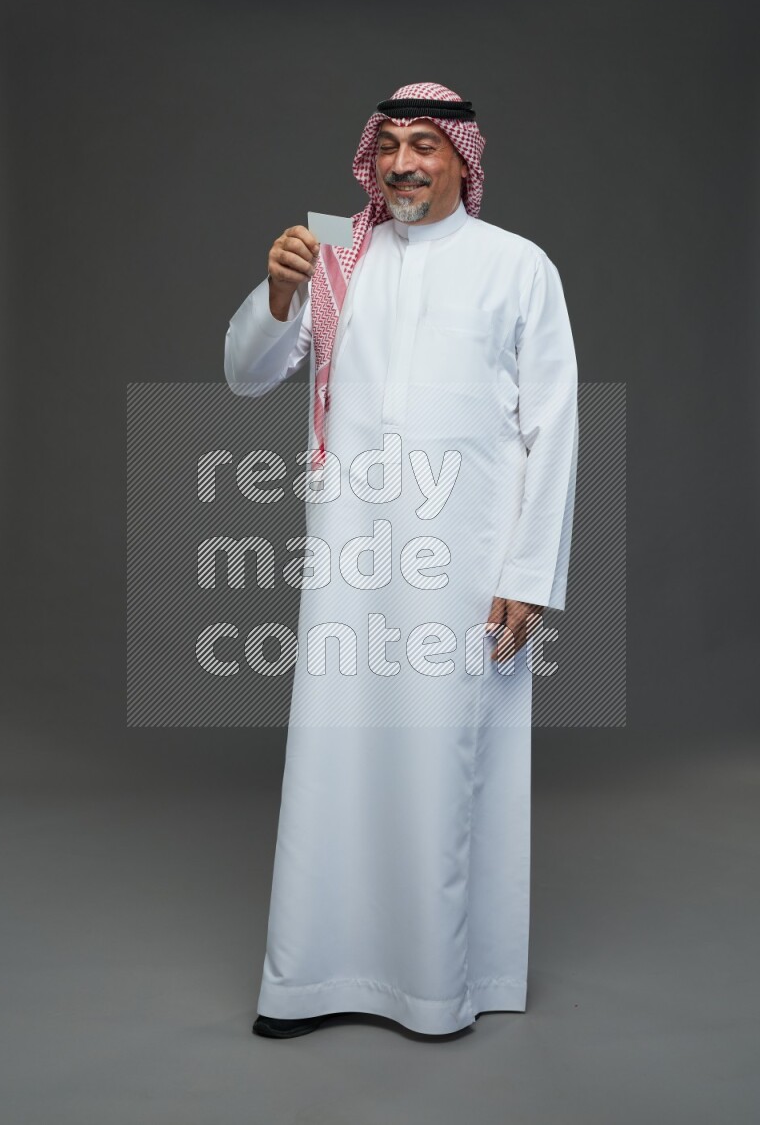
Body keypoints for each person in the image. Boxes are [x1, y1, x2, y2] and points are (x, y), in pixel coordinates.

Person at [224, 82, 578, 1038]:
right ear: (369, 160)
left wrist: (529, 577)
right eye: (389, 146)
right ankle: (309, 981)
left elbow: (555, 430)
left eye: (426, 144)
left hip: (466, 572)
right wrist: (278, 295)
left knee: (447, 761)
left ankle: (437, 988)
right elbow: (246, 372)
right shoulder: (335, 257)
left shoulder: (517, 267)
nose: (404, 163)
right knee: (335, 759)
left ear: (466, 157)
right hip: (349, 563)